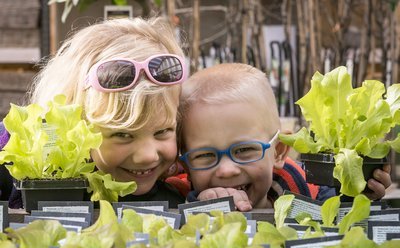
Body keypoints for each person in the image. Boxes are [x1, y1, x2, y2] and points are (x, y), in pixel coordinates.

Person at [2, 17, 190, 209]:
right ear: (75, 126)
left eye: (162, 131)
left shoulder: (184, 190)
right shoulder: (26, 164)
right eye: (122, 134)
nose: (147, 156)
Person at [177, 63, 392, 211]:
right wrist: (202, 207)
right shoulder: (176, 197)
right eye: (205, 155)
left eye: (243, 150)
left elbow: (335, 213)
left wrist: (358, 195)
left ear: (278, 151)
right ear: (186, 167)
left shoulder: (305, 189)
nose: (226, 170)